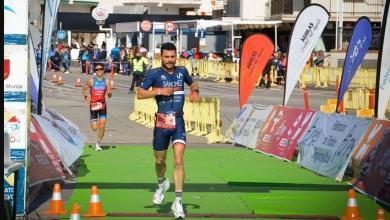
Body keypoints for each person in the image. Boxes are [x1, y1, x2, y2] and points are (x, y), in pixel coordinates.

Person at [137, 42, 200, 219]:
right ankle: (161, 183)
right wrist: (159, 91)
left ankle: (178, 201)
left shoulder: (182, 71)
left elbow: (192, 82)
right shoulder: (154, 73)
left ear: (176, 56)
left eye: (173, 57)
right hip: (162, 123)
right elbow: (139, 93)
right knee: (160, 161)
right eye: (166, 57)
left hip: (178, 122)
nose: (170, 60)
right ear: (160, 57)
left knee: (179, 160)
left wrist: (195, 90)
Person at [82, 63, 112, 151]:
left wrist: (109, 93)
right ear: (95, 71)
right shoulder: (92, 80)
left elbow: (109, 95)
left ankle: (98, 143)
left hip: (102, 105)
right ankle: (97, 130)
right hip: (94, 106)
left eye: (101, 69)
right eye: (97, 69)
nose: (99, 71)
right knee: (95, 128)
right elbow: (84, 88)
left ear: (103, 70)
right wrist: (86, 96)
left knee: (102, 125)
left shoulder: (107, 81)